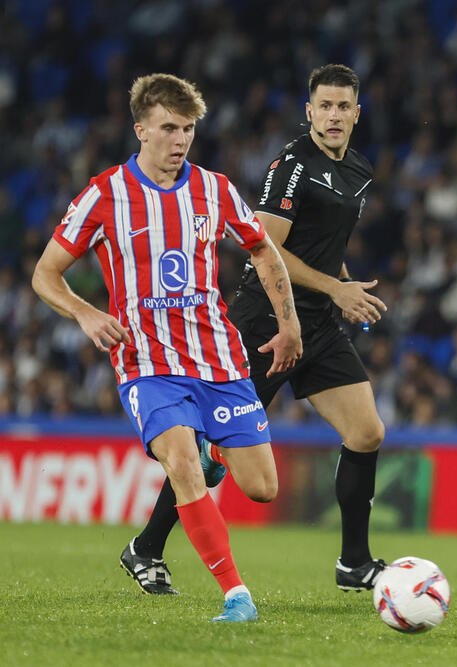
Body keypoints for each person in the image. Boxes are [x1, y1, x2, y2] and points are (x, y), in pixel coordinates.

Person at [32, 74, 303, 622]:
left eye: (189, 129)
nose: (180, 140)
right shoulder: (105, 193)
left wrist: (289, 324)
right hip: (148, 363)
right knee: (181, 463)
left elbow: (264, 252)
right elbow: (45, 274)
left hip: (219, 358)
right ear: (142, 131)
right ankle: (236, 595)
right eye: (169, 128)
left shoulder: (217, 189)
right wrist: (85, 312)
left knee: (263, 488)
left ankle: (215, 453)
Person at [121, 64, 390, 595]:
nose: (334, 116)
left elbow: (319, 246)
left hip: (319, 322)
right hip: (264, 321)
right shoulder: (292, 166)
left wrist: (341, 282)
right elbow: (266, 248)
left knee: (367, 432)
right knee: (210, 450)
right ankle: (146, 548)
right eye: (325, 106)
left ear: (357, 115)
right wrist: (336, 289)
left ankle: (353, 563)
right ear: (308, 111)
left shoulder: (359, 169)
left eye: (344, 107)